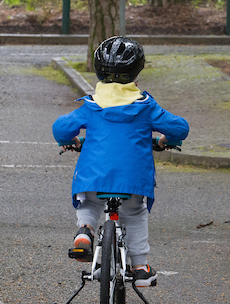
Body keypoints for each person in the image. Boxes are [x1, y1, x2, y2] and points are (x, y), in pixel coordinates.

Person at [53, 36, 189, 287]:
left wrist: (71, 139)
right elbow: (179, 128)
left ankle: (85, 231)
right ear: (137, 73)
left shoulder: (91, 106)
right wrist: (164, 140)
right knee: (134, 214)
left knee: (90, 202)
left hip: (93, 176)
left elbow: (61, 128)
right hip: (132, 179)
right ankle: (139, 267)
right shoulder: (146, 106)